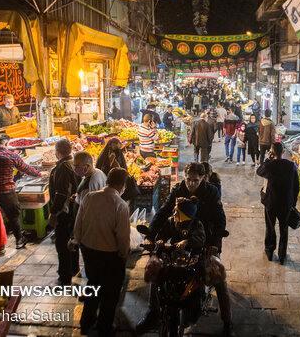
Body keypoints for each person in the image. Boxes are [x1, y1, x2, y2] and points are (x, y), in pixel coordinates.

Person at [136, 163, 232, 336]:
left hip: (205, 240)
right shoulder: (178, 189)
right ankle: (153, 312)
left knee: (218, 277)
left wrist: (215, 243)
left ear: (203, 178)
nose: (191, 184)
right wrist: (151, 235)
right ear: (184, 177)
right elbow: (163, 212)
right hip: (179, 240)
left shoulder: (211, 192)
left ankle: (227, 321)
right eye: (188, 179)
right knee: (157, 271)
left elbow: (220, 219)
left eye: (195, 180)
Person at [70, 167, 131, 336]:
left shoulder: (89, 197)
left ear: (107, 181)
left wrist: (78, 241)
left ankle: (86, 323)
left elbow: (79, 222)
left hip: (89, 252)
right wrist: (124, 254)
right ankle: (104, 327)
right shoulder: (120, 205)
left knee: (93, 286)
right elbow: (123, 237)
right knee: (110, 294)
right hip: (110, 256)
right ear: (123, 186)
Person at [0, 135, 46, 249]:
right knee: (13, 216)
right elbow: (26, 168)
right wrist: (40, 174)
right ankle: (19, 240)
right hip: (6, 191)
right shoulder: (11, 155)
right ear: (6, 144)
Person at [256, 142, 299, 264]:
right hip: (286, 203)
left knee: (270, 227)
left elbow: (259, 171)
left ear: (272, 152)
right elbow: (297, 186)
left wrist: (267, 159)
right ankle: (282, 255)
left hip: (271, 202)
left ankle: (269, 252)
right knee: (284, 229)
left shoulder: (269, 166)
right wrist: (293, 202)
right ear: (283, 151)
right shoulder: (291, 166)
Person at [48, 139, 80, 285]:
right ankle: (74, 268)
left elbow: (61, 193)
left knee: (62, 244)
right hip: (74, 209)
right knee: (73, 240)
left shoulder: (62, 168)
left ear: (58, 152)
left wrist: (54, 212)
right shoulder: (74, 163)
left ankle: (65, 275)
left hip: (65, 211)